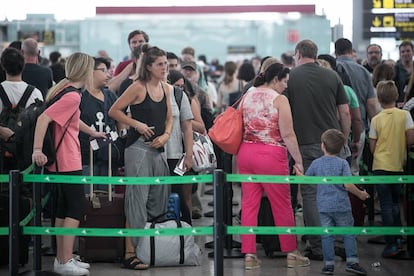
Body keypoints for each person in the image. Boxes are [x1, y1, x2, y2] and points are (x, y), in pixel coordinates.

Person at [32, 52, 105, 275]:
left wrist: (92, 131)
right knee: (75, 208)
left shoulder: (64, 90)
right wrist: (36, 149)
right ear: (85, 70)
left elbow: (72, 118)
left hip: (61, 160)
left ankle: (63, 259)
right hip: (67, 159)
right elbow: (44, 118)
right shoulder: (73, 95)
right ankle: (64, 262)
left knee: (63, 209)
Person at [237, 63, 310, 270]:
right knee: (283, 204)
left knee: (250, 205)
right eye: (285, 81)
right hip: (271, 154)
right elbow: (287, 133)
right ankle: (291, 252)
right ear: (275, 79)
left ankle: (249, 255)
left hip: (246, 152)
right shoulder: (280, 100)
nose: (286, 86)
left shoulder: (248, 95)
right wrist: (298, 160)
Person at [108, 44, 172, 270]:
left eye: (165, 63)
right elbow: (114, 110)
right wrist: (137, 124)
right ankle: (129, 253)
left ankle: (145, 248)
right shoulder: (137, 87)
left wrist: (165, 136)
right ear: (149, 67)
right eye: (160, 64)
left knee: (157, 201)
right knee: (136, 201)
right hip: (137, 149)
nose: (165, 67)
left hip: (157, 149)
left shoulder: (166, 88)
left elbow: (169, 118)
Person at [286, 39, 351, 261]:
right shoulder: (332, 76)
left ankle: (317, 246)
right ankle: (340, 242)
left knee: (310, 195)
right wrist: (343, 138)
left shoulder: (291, 78)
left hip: (303, 144)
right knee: (338, 192)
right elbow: (345, 112)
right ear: (316, 54)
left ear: (297, 54)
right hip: (333, 143)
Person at [300, 129, 369, 275]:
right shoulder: (343, 163)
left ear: (322, 146)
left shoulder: (316, 163)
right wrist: (361, 194)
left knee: (327, 235)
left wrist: (298, 174)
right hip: (342, 205)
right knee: (348, 234)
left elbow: (305, 180)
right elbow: (348, 185)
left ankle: (328, 265)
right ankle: (352, 262)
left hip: (324, 207)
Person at [369, 80, 414, 258]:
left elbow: (372, 148)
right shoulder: (405, 116)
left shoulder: (376, 119)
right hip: (398, 166)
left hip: (380, 166)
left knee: (386, 205)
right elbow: (411, 139)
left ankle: (391, 243)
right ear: (397, 96)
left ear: (379, 99)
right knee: (396, 203)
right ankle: (398, 239)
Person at [335, 38, 378, 176]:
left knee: (335, 170)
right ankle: (356, 196)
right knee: (355, 170)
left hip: (336, 127)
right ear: (350, 50)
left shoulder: (331, 70)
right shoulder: (364, 72)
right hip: (359, 128)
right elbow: (371, 103)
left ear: (335, 52)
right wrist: (375, 128)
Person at [0, 47, 43, 171]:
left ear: (3, 66)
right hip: (26, 155)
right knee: (26, 188)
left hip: (2, 155)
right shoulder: (35, 93)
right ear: (23, 65)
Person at [166, 69, 194, 225]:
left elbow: (188, 127)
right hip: (153, 153)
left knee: (179, 195)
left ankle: (184, 234)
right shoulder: (143, 90)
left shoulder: (179, 95)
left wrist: (189, 155)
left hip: (175, 154)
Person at [394, 41, 414, 106]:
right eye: (403, 52)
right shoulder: (395, 69)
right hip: (401, 105)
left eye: (408, 51)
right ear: (400, 54)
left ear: (413, 52)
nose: (405, 53)